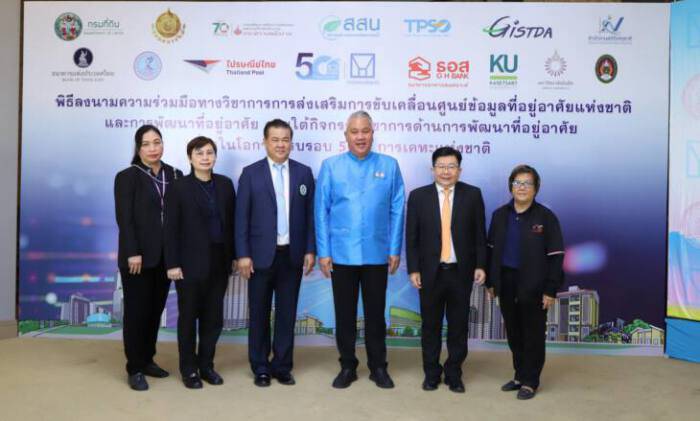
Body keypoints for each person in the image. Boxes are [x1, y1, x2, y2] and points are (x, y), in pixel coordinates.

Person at [315, 110, 405, 389]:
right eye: (354, 131)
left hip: (378, 253)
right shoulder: (331, 166)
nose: (360, 136)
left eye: (365, 131)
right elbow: (321, 212)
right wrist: (323, 252)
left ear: (372, 133)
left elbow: (397, 208)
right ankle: (347, 366)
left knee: (376, 315)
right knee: (344, 315)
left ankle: (378, 367)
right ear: (346, 135)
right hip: (341, 254)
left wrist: (395, 248)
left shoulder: (389, 165)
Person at [235, 119, 316, 387]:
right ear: (265, 142)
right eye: (275, 139)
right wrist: (243, 254)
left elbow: (310, 216)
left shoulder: (304, 173)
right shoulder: (251, 173)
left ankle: (282, 365)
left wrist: (310, 249)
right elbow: (241, 217)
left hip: (291, 256)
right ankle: (260, 366)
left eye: (285, 139)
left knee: (286, 313)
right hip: (259, 257)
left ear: (291, 142)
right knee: (259, 314)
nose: (281, 144)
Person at [406, 146, 486, 393]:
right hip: (430, 273)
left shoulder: (472, 195)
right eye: (441, 166)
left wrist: (480, 265)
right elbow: (412, 237)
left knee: (458, 326)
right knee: (430, 326)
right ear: (433, 169)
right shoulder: (418, 196)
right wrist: (413, 269)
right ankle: (431, 373)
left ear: (459, 170)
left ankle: (454, 374)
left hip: (460, 272)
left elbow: (479, 235)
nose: (446, 171)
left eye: (451, 166)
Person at [486, 164, 565, 400]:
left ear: (536, 188)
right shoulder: (499, 215)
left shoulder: (546, 217)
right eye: (517, 183)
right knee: (513, 332)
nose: (521, 187)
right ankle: (519, 375)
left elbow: (556, 256)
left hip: (534, 284)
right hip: (506, 282)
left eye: (527, 183)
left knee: (533, 334)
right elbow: (490, 251)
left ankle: (531, 381)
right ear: (511, 187)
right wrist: (491, 282)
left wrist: (550, 289)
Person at [164, 136, 236, 389]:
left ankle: (206, 366)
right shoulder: (179, 187)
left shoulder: (225, 185)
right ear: (190, 157)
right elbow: (170, 228)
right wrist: (172, 264)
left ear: (215, 156)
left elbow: (232, 224)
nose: (205, 157)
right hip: (188, 264)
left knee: (213, 319)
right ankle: (188, 369)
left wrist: (234, 257)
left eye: (209, 152)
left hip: (219, 262)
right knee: (188, 318)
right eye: (199, 153)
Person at [114, 124, 182, 391]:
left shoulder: (174, 174)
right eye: (146, 144)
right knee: (137, 313)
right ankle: (134, 367)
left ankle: (147, 359)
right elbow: (125, 219)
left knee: (155, 311)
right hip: (138, 259)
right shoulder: (127, 176)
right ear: (138, 148)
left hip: (165, 258)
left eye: (157, 142)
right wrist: (133, 252)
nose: (153, 148)